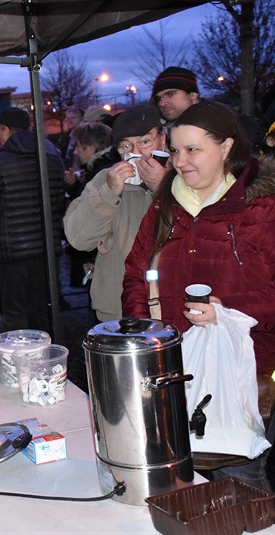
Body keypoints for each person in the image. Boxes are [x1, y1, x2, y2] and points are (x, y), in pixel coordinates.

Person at [122, 101, 275, 490]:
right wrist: (145, 333)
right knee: (180, 484)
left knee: (239, 481)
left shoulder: (261, 210)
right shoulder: (165, 205)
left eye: (193, 150)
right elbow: (137, 273)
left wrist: (228, 312)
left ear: (226, 148)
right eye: (175, 150)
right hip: (171, 373)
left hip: (241, 373)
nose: (181, 161)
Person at [63, 105, 167, 322]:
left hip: (173, 305)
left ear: (162, 140)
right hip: (118, 308)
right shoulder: (106, 179)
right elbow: (78, 238)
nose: (137, 153)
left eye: (145, 142)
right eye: (127, 146)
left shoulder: (184, 174)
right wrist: (109, 192)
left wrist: (162, 188)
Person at [0, 107, 64, 332]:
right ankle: (51, 355)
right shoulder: (51, 160)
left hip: (12, 251)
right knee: (45, 309)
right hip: (47, 249)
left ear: (5, 130)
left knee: (16, 312)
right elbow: (59, 204)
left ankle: (23, 361)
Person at [63, 121, 115, 288]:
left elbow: (95, 211)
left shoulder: (102, 172)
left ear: (91, 148)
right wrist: (74, 186)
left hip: (100, 252)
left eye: (80, 147)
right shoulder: (97, 168)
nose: (76, 152)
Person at [62, 107, 84, 172]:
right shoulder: (71, 136)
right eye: (67, 119)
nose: (69, 121)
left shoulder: (84, 134)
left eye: (72, 118)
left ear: (81, 118)